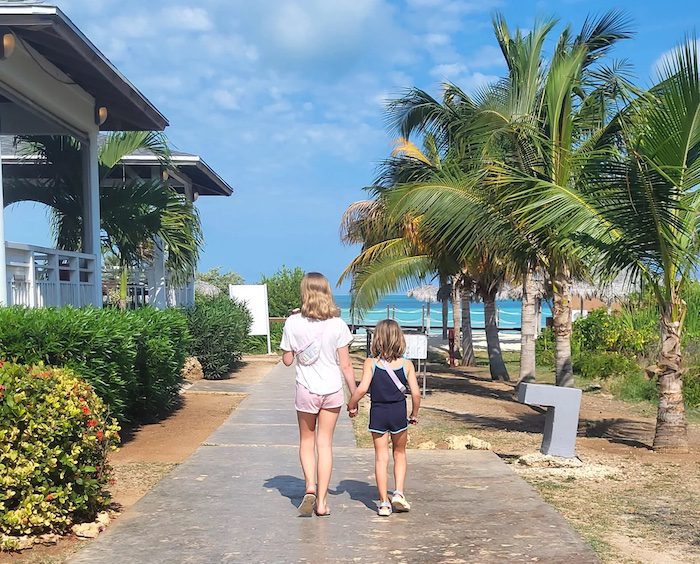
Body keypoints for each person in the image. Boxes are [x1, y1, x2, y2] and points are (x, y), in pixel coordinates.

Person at [280, 272, 356, 517]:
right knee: (325, 444)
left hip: (306, 388)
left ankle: (309, 487)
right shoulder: (338, 324)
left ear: (304, 292)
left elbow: (287, 361)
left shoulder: (293, 323)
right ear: (326, 292)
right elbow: (345, 365)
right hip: (332, 390)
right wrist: (354, 396)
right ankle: (322, 502)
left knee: (306, 441)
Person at [347, 319, 421, 517]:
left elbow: (362, 388)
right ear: (399, 339)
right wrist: (413, 414)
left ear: (377, 339)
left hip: (378, 413)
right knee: (400, 453)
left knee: (381, 457)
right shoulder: (407, 365)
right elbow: (415, 393)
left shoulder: (370, 363)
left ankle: (383, 503)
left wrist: (351, 404)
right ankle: (398, 492)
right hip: (398, 412)